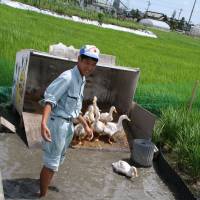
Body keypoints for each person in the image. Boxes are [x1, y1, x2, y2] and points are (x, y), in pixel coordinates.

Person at [39, 45, 100, 197]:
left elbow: (74, 110)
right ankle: (41, 195)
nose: (89, 67)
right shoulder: (68, 77)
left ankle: (44, 185)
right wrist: (43, 123)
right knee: (51, 163)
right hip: (57, 124)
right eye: (87, 62)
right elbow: (50, 100)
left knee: (57, 161)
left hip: (67, 125)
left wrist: (86, 125)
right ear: (79, 59)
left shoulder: (81, 79)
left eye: (93, 64)